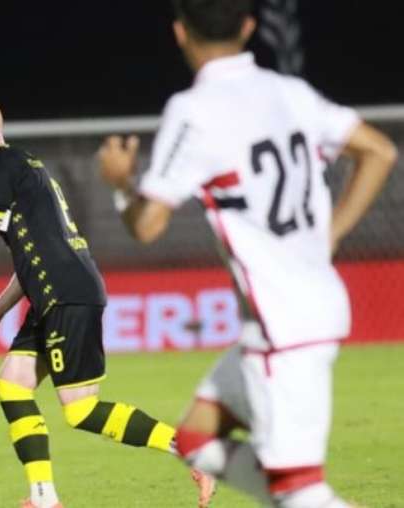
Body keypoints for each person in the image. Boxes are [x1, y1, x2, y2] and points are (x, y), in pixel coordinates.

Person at [97, 0, 397, 507]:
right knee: (195, 439)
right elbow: (379, 151)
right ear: (249, 26)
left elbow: (147, 226)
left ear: (180, 33)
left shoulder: (195, 110)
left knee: (302, 491)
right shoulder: (290, 93)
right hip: (299, 311)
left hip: (284, 324)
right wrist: (332, 233)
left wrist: (121, 185)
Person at [0, 91, 215, 508]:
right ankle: (43, 497)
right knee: (12, 384)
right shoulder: (24, 166)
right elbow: (36, 255)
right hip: (57, 293)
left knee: (81, 410)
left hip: (66, 295)